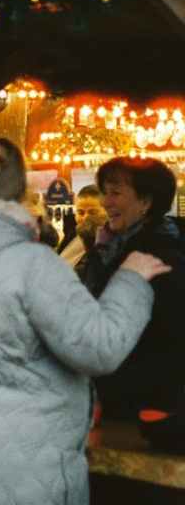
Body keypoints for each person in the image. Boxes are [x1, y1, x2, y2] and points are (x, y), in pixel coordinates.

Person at [0, 137, 170, 505]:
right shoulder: (33, 264)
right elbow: (99, 348)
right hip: (20, 471)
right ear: (20, 191)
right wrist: (130, 281)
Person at [77, 156, 185, 421]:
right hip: (108, 399)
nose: (105, 202)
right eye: (105, 192)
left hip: (143, 407)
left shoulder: (160, 257)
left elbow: (164, 342)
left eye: (116, 193)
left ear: (146, 202)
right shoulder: (107, 249)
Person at [59, 184, 107, 266]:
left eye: (93, 213)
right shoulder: (71, 235)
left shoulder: (113, 247)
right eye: (80, 213)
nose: (85, 218)